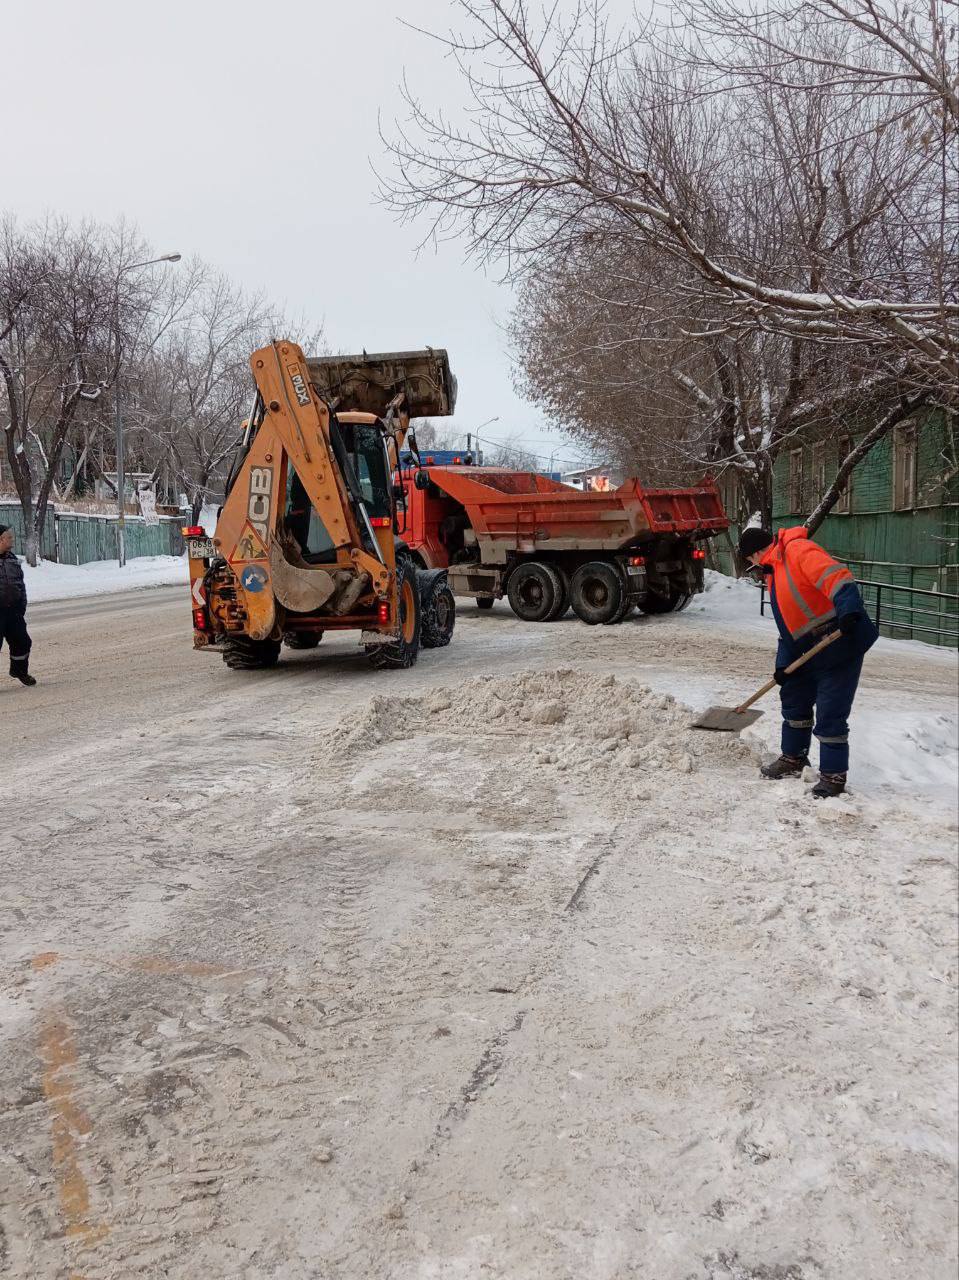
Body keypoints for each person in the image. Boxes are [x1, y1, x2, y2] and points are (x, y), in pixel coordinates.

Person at [739, 525, 877, 798]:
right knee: (793, 696)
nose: (752, 565)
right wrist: (783, 665)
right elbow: (789, 626)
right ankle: (794, 758)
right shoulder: (774, 571)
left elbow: (837, 578)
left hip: (840, 639)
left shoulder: (798, 550)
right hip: (806, 646)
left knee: (830, 710)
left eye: (750, 560)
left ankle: (833, 776)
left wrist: (848, 610)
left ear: (756, 552)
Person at [0, 524, 36, 687]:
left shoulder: (12, 558)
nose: (12, 540)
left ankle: (19, 671)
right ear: (0, 539)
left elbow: (20, 584)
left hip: (13, 611)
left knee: (22, 642)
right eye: (9, 537)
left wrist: (22, 605)